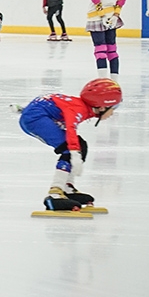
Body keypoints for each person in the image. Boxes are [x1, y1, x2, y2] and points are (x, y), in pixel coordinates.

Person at [18, 78, 122, 212]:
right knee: (69, 148)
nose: (113, 112)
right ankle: (55, 193)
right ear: (102, 106)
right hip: (35, 119)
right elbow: (71, 129)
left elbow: (54, 102)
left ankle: (67, 188)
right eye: (114, 107)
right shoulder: (79, 109)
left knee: (80, 145)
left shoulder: (82, 106)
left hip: (37, 115)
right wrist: (74, 154)